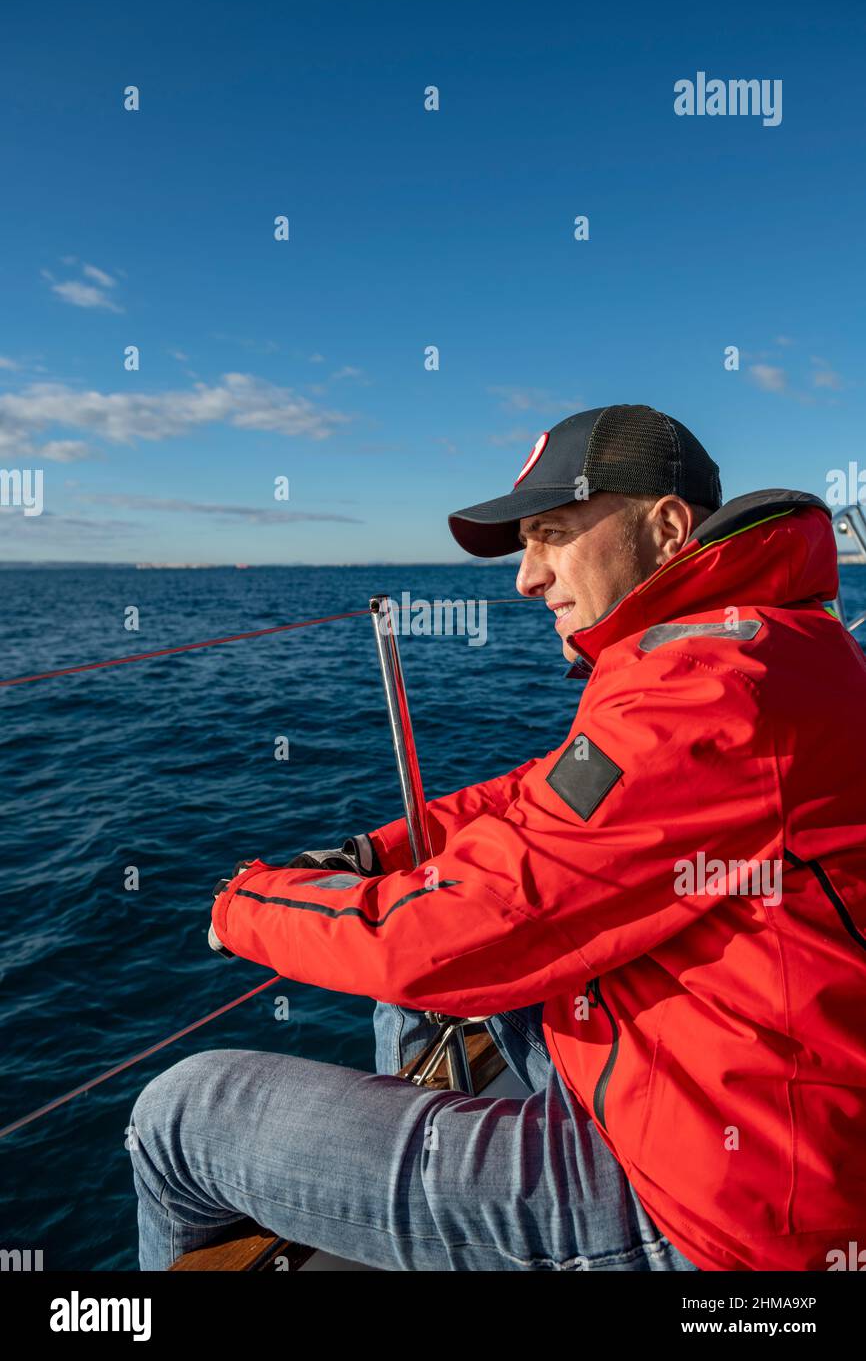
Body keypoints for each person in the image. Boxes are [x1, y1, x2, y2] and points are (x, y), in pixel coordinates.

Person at [130, 403, 866, 1271]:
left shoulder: (711, 691)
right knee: (433, 969)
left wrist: (245, 904)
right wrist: (386, 851)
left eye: (552, 534)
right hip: (726, 1094)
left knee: (177, 1118)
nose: (527, 577)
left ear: (667, 529)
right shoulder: (753, 645)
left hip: (720, 1215)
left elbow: (443, 932)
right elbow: (548, 794)